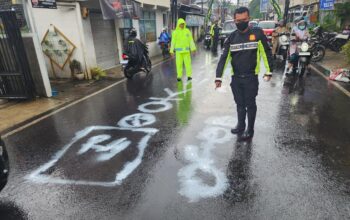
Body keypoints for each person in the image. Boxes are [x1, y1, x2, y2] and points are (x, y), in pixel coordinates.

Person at [215, 7, 273, 141]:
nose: (241, 22)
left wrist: (269, 71)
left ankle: (250, 129)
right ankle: (241, 125)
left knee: (250, 104)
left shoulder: (257, 34)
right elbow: (224, 58)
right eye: (238, 20)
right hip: (236, 78)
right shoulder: (232, 37)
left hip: (251, 77)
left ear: (249, 19)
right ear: (235, 20)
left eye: (244, 20)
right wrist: (218, 77)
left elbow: (266, 53)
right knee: (239, 104)